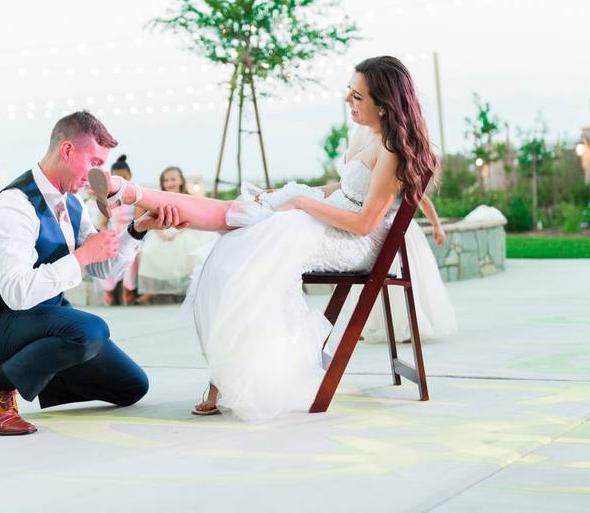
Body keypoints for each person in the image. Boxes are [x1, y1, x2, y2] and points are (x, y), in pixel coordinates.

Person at [89, 56, 438, 421]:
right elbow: (348, 187)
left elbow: (365, 223)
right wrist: (289, 194)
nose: (348, 102)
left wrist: (300, 203)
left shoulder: (392, 153)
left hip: (352, 242)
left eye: (357, 97)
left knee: (245, 246)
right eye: (349, 93)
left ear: (384, 106)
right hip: (331, 214)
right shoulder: (364, 132)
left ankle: (225, 373)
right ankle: (126, 192)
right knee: (238, 219)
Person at [0, 111, 186, 436]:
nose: (99, 173)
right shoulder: (12, 207)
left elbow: (101, 268)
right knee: (91, 331)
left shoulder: (73, 204)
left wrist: (138, 230)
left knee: (133, 387)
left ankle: (43, 364)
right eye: (94, 161)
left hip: (47, 320)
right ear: (67, 151)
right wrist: (81, 256)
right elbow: (17, 293)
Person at [362, 193, 457, 343]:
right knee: (377, 277)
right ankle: (374, 323)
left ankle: (408, 324)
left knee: (405, 274)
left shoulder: (401, 172)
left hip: (400, 228)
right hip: (378, 227)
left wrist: (437, 225)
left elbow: (422, 200)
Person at [136, 167, 219, 304]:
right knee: (148, 250)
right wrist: (161, 234)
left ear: (181, 180)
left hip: (185, 229)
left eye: (173, 179)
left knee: (192, 248)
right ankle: (151, 290)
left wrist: (179, 233)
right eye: (166, 180)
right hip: (163, 230)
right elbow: (151, 219)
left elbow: (193, 218)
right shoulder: (158, 198)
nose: (170, 183)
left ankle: (196, 288)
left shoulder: (188, 197)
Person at [97, 155, 143, 305]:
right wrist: (108, 235)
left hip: (133, 233)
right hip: (114, 232)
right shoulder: (107, 198)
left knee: (131, 253)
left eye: (125, 178)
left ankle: (128, 289)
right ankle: (109, 289)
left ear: (130, 177)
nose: (122, 182)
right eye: (117, 178)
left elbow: (138, 221)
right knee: (105, 252)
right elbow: (103, 223)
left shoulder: (137, 197)